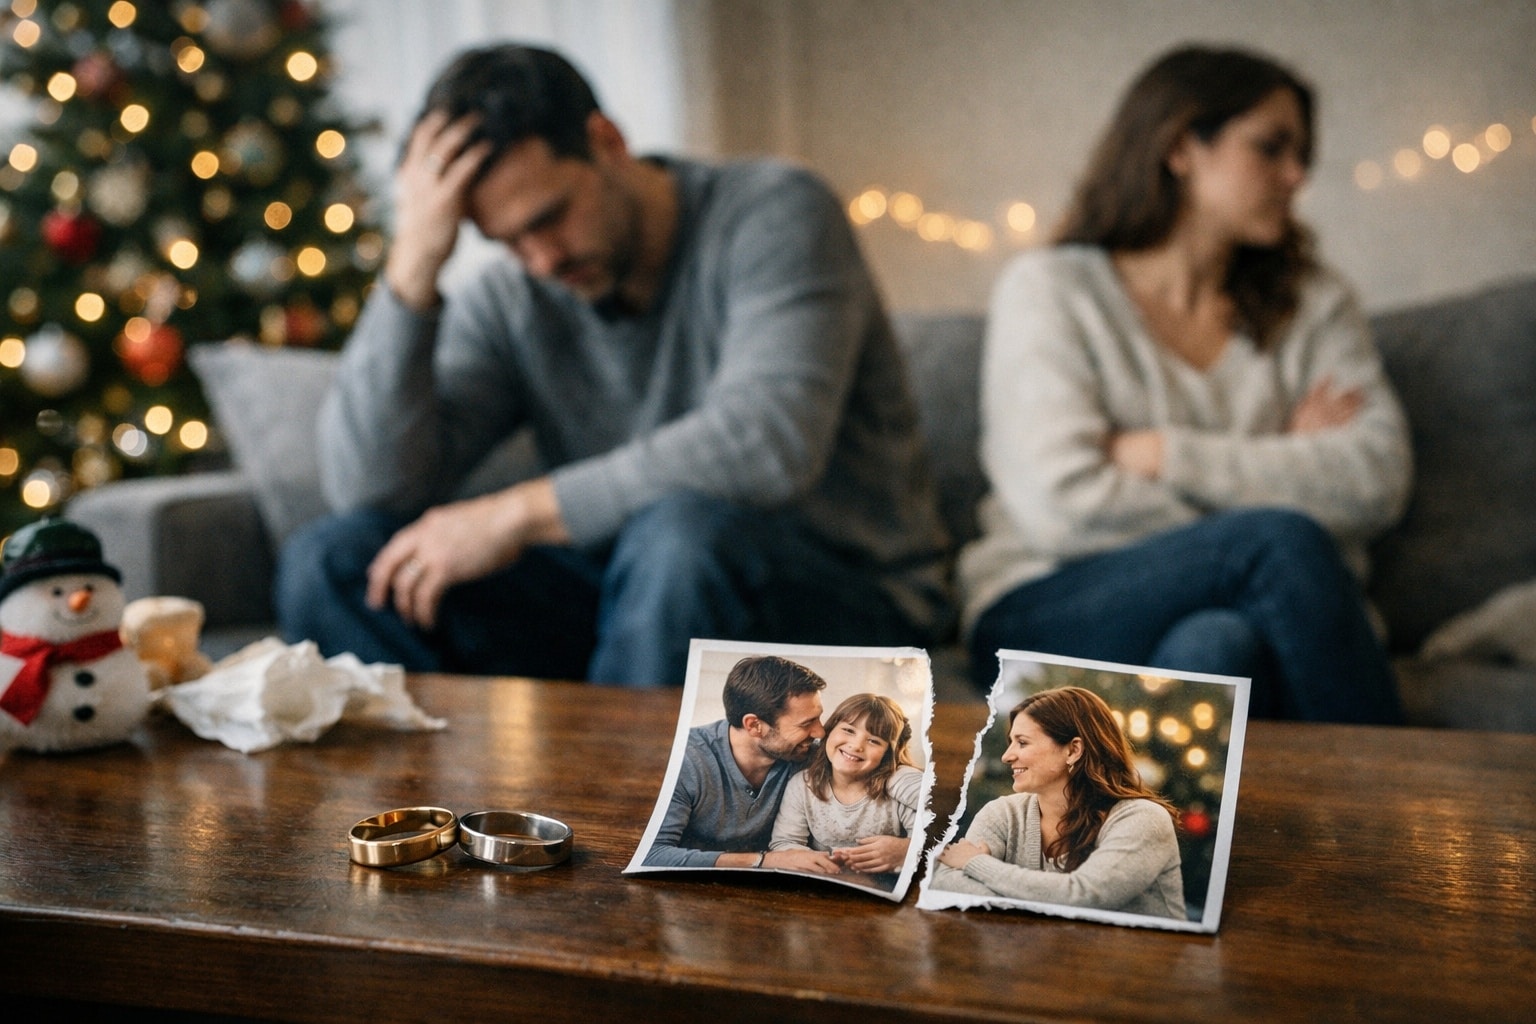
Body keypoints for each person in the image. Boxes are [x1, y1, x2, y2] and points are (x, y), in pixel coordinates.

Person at [275, 44, 950, 686]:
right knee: (332, 560)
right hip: (634, 604)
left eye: (551, 217)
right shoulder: (518, 294)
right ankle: (451, 807)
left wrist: (511, 516)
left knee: (680, 536)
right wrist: (413, 263)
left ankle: (614, 809)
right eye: (506, 240)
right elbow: (371, 490)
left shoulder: (774, 211)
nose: (542, 259)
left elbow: (767, 441)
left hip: (848, 600)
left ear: (607, 142)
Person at [960, 45, 1412, 722]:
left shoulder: (1314, 304)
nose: (1295, 176)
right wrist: (1278, 491)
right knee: (1279, 545)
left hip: (1224, 617)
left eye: (1302, 156)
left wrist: (1167, 455)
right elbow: (1061, 501)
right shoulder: (1052, 290)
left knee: (1216, 643)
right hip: (1048, 600)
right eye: (1271, 148)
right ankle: (1402, 819)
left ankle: (1156, 829)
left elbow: (1375, 477)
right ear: (1180, 147)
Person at [930, 687, 1185, 919]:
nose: (1007, 756)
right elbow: (946, 882)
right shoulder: (1002, 813)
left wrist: (978, 864)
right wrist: (1046, 900)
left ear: (1073, 750)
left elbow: (1085, 896)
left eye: (1022, 742)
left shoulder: (1143, 819)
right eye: (1010, 743)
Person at [643, 655, 840, 870]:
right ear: (754, 725)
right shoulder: (687, 759)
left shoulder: (810, 755)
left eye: (818, 717)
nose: (820, 732)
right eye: (807, 723)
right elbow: (653, 854)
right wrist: (765, 860)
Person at [769, 692, 923, 882]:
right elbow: (785, 842)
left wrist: (909, 849)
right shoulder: (803, 785)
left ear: (887, 754)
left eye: (874, 741)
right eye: (849, 731)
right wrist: (824, 863)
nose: (856, 745)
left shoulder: (899, 783)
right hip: (822, 885)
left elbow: (940, 822)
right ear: (830, 730)